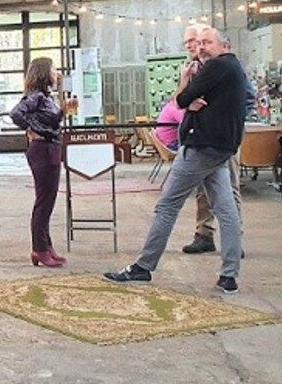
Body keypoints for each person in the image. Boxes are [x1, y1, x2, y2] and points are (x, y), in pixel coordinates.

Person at [105, 27, 246, 293]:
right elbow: (185, 102)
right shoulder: (233, 69)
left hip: (201, 147)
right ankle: (229, 276)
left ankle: (143, 267)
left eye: (207, 42)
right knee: (225, 210)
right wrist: (188, 99)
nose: (200, 47)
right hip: (219, 148)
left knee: (167, 206)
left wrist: (185, 84)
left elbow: (180, 99)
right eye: (197, 43)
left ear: (224, 46)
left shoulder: (217, 67)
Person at [184, 32, 251, 254]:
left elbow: (247, 97)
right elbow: (182, 100)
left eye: (200, 42)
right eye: (192, 43)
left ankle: (234, 240)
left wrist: (228, 120)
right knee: (203, 189)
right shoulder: (195, 68)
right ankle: (204, 234)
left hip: (224, 139)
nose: (194, 46)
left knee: (229, 187)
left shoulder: (230, 67)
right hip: (202, 139)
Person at [10, 58, 67, 267]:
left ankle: (46, 245)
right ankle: (39, 248)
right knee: (43, 202)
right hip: (42, 150)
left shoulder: (46, 97)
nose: (56, 72)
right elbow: (16, 113)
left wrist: (62, 110)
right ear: (44, 72)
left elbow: (52, 122)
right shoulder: (36, 96)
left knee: (48, 200)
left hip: (50, 148)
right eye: (53, 69)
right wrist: (33, 128)